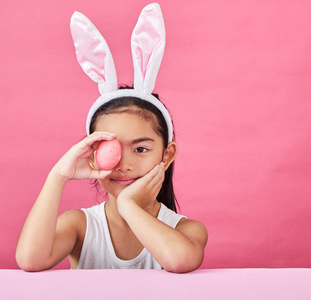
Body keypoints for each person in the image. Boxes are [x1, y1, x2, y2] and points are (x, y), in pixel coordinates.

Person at [15, 3, 208, 273]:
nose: (124, 164)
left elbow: (180, 261)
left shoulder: (185, 229)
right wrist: (58, 176)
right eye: (111, 148)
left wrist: (129, 205)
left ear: (167, 155)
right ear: (93, 152)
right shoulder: (80, 226)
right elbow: (30, 260)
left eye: (140, 149)